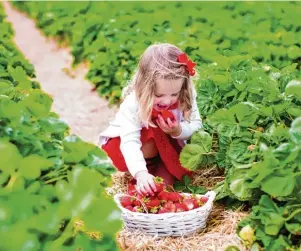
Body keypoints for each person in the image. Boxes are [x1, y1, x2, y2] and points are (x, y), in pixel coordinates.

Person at [98, 43, 202, 196]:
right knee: (153, 129)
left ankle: (156, 167)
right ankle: (143, 169)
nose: (167, 101)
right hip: (125, 146)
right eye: (159, 95)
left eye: (174, 94)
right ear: (144, 87)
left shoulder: (186, 94)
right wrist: (140, 173)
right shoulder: (134, 103)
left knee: (164, 188)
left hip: (165, 148)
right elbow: (130, 142)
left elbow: (196, 125)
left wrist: (178, 130)